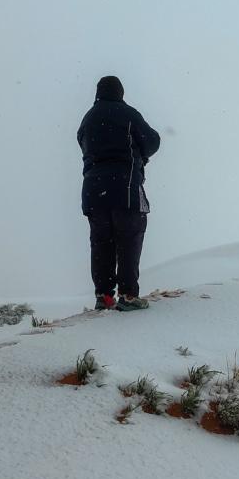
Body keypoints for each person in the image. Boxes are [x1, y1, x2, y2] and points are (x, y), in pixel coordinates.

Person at [77, 76, 160, 311]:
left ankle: (103, 296)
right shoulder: (127, 113)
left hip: (93, 192)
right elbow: (152, 141)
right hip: (125, 188)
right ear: (120, 93)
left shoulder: (87, 119)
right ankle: (128, 295)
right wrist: (139, 155)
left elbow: (83, 145)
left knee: (101, 242)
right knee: (130, 237)